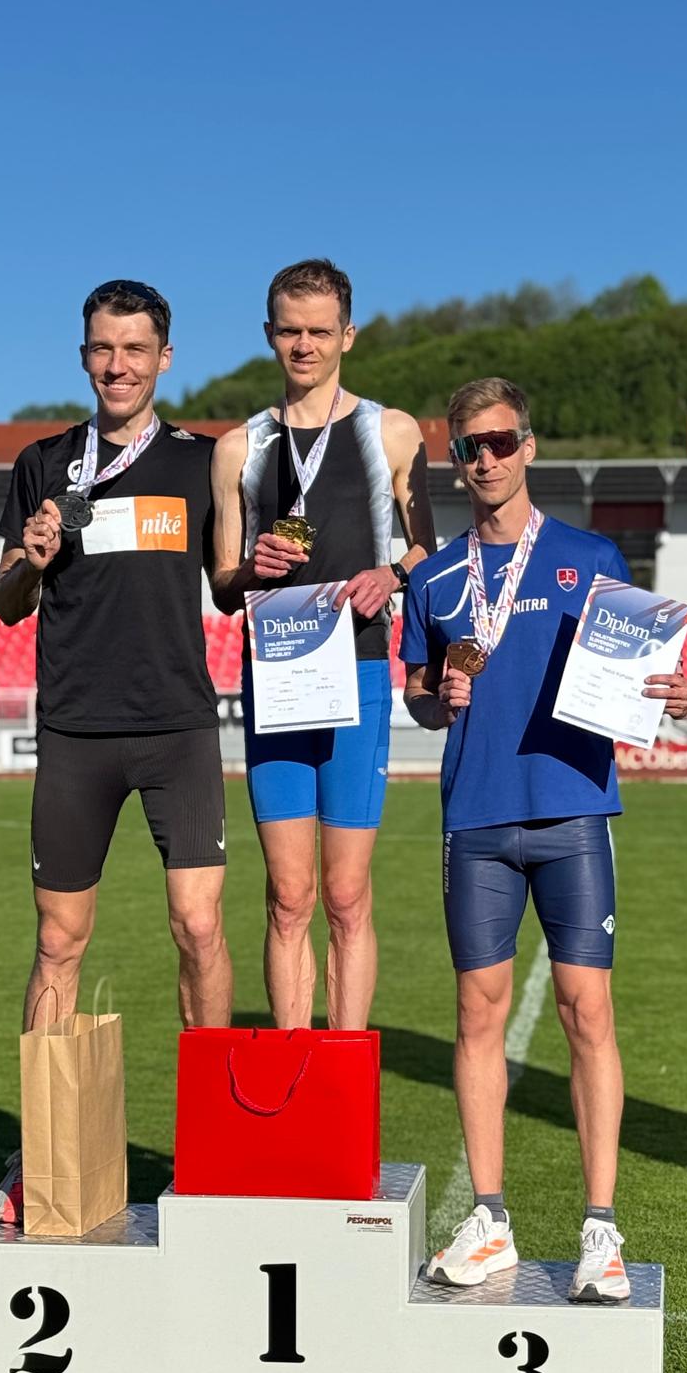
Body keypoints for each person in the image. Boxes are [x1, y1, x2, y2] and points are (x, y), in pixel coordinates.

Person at [400, 376, 687, 1301]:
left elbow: (638, 670)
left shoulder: (590, 556)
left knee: (587, 1013)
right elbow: (418, 696)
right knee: (476, 1016)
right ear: (455, 461)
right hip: (476, 820)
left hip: (573, 813)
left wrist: (671, 693)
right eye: (469, 447)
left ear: (528, 446)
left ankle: (600, 1230)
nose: (485, 459)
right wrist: (436, 696)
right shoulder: (433, 579)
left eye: (500, 441)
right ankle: (490, 1222)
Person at [0, 278, 233, 1224]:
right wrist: (31, 560)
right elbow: (7, 602)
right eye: (102, 348)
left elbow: (230, 582)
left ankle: (213, 1148)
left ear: (164, 358)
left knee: (199, 929)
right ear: (83, 355)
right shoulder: (44, 463)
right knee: (58, 941)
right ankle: (41, 1152)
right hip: (75, 732)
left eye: (134, 349)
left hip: (178, 729)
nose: (117, 365)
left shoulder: (204, 463)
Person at [211, 259, 435, 1030]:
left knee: (345, 894)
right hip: (275, 677)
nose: (303, 345)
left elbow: (428, 550)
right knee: (287, 895)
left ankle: (343, 1071)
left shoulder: (390, 431)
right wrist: (253, 567)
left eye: (318, 331)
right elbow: (222, 584)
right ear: (269, 335)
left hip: (359, 671)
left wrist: (390, 575)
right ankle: (293, 1062)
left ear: (348, 335)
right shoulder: (238, 448)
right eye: (289, 331)